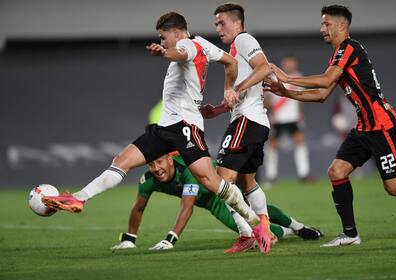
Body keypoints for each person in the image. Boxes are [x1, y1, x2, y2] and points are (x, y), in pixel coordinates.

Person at [42, 12, 272, 254]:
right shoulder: (203, 43)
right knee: (121, 161)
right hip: (165, 128)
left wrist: (165, 53)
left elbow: (180, 53)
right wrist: (227, 88)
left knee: (211, 181)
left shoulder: (186, 45)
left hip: (185, 126)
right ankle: (79, 198)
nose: (162, 42)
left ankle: (257, 225)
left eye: (164, 38)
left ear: (176, 32)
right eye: (161, 40)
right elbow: (231, 63)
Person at [264, 5, 396, 247]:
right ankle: (350, 234)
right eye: (322, 24)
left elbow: (325, 80)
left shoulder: (349, 48)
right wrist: (286, 92)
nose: (322, 28)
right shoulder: (339, 54)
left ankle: (350, 233)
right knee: (336, 171)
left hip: (381, 126)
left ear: (341, 26)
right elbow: (322, 94)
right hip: (364, 128)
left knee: (395, 186)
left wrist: (287, 78)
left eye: (326, 24)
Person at [110, 154, 323, 253]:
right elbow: (138, 208)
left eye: (159, 162)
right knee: (249, 224)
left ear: (170, 159)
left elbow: (187, 206)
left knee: (256, 211)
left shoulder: (188, 172)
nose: (156, 168)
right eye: (151, 164)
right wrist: (130, 238)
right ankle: (291, 231)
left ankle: (297, 227)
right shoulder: (148, 181)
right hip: (212, 203)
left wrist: (170, 240)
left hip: (223, 186)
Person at [200, 3, 273, 253]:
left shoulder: (243, 39)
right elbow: (240, 94)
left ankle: (248, 234)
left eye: (222, 23)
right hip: (254, 121)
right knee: (247, 182)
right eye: (216, 24)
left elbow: (265, 67)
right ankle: (267, 232)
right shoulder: (233, 51)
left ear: (237, 23)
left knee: (221, 181)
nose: (218, 28)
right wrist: (219, 110)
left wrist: (236, 89)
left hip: (247, 121)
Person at [264, 55, 313, 185]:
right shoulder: (274, 77)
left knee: (300, 143)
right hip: (278, 118)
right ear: (283, 64)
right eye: (287, 63)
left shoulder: (299, 77)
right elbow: (268, 99)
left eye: (292, 63)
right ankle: (271, 176)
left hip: (294, 118)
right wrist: (271, 113)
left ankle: (304, 174)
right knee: (272, 146)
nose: (289, 65)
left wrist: (301, 116)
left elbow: (301, 99)